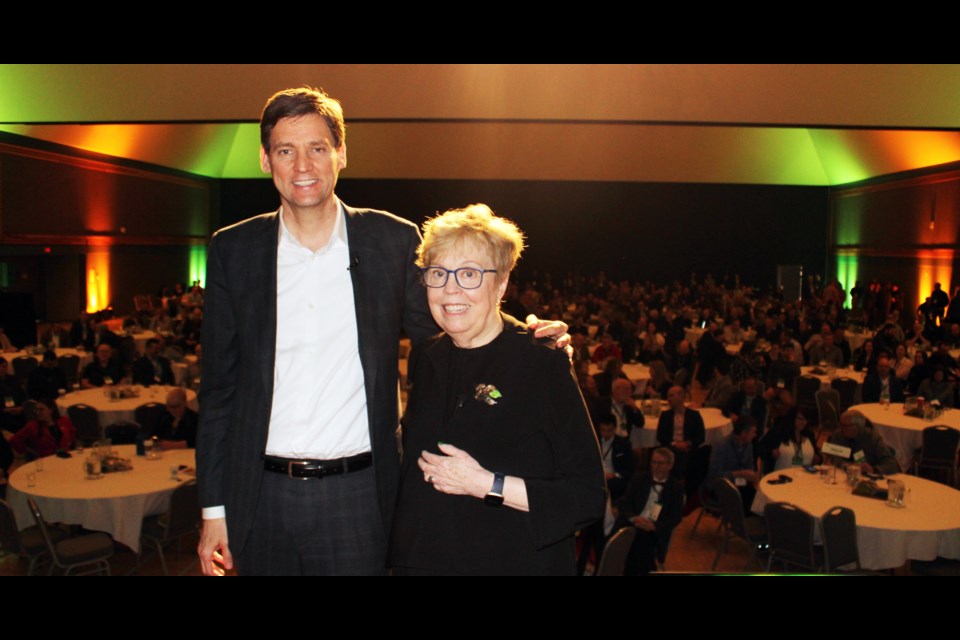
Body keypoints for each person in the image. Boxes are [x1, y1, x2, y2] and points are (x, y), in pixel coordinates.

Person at [195, 87, 569, 576]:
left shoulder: (390, 239)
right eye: (286, 150)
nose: (303, 165)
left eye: (317, 148)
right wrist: (213, 511)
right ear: (266, 160)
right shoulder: (233, 249)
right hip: (260, 496)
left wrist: (527, 339)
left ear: (341, 154)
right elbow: (219, 390)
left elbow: (448, 330)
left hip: (361, 494)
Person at [390, 204, 604, 575]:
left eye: (469, 274)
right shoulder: (426, 355)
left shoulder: (541, 361)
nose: (450, 289)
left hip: (510, 560)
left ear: (501, 283)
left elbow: (587, 497)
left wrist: (486, 484)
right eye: (438, 273)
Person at [614, 447, 684, 575]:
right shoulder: (639, 479)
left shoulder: (676, 487)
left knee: (641, 544)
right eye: (653, 462)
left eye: (660, 463)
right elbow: (623, 503)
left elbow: (675, 517)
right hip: (632, 523)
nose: (655, 467)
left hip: (654, 530)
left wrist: (654, 526)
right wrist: (634, 518)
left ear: (670, 465)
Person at [656, 385, 706, 493]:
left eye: (672, 396)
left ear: (682, 397)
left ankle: (685, 488)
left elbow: (701, 436)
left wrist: (687, 444)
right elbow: (660, 435)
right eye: (668, 396)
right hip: (671, 447)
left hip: (688, 448)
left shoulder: (694, 415)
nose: (669, 399)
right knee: (676, 455)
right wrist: (675, 444)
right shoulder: (665, 415)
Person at [708, 417, 759, 507]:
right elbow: (715, 475)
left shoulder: (749, 446)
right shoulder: (722, 445)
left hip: (740, 483)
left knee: (756, 498)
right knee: (748, 501)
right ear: (743, 433)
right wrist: (738, 474)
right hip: (721, 486)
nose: (755, 435)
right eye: (753, 432)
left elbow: (750, 468)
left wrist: (751, 476)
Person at [827, 410, 899, 475]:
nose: (841, 428)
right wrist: (846, 465)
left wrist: (873, 469)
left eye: (845, 426)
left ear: (857, 427)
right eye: (840, 424)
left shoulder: (872, 438)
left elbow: (891, 465)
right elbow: (833, 456)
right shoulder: (838, 435)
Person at [757, 408, 819, 474]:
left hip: (804, 477)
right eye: (800, 419)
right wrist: (771, 453)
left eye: (806, 419)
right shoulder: (777, 433)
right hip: (779, 477)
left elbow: (816, 457)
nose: (804, 422)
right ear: (792, 419)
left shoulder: (809, 435)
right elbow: (759, 448)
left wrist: (818, 459)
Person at [9, 401, 76, 459]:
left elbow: (73, 433)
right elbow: (14, 440)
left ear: (51, 410)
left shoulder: (64, 420)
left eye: (41, 410)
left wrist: (69, 445)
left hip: (65, 456)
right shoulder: (32, 426)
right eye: (36, 410)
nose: (38, 412)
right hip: (46, 459)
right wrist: (29, 451)